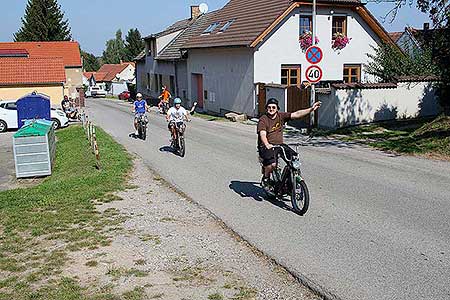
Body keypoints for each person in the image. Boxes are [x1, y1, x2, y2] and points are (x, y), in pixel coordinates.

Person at [257, 98, 321, 187]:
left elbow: (297, 114)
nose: (271, 109)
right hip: (266, 146)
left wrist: (311, 109)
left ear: (277, 109)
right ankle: (266, 178)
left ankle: (293, 179)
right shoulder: (263, 119)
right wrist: (267, 144)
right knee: (272, 165)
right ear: (266, 108)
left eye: (273, 107)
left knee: (294, 158)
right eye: (269, 107)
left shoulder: (281, 116)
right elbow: (262, 134)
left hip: (280, 145)